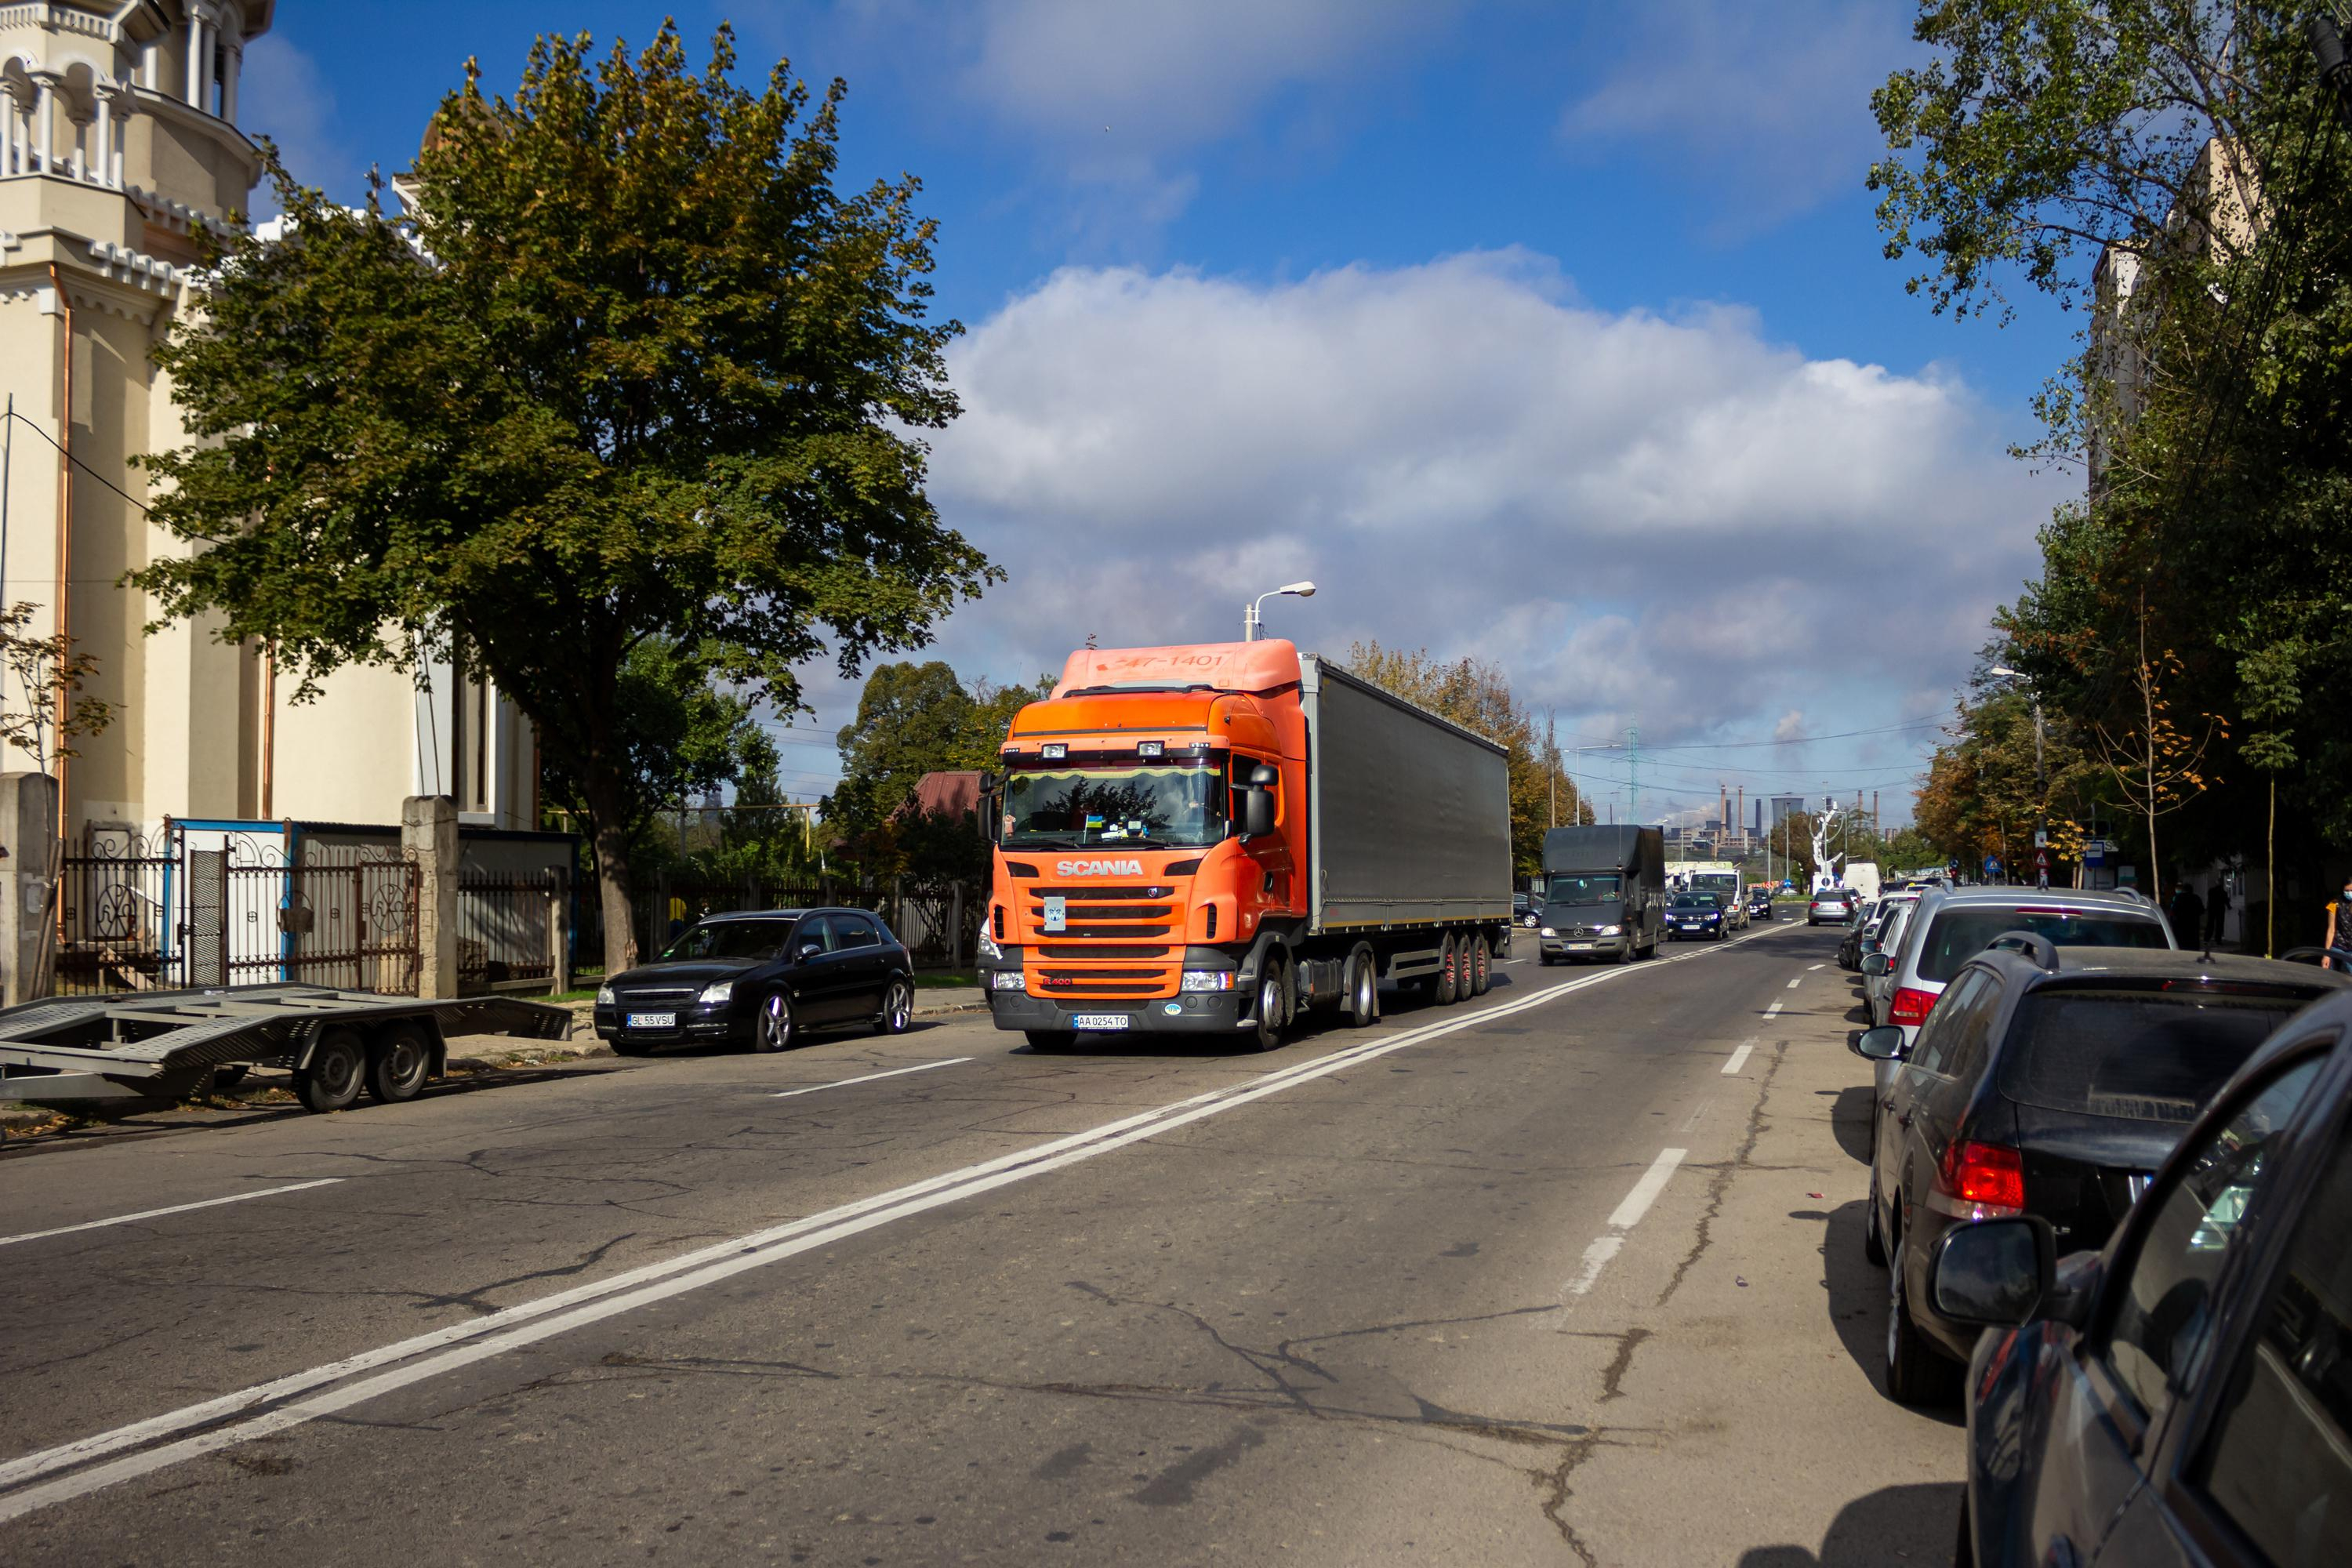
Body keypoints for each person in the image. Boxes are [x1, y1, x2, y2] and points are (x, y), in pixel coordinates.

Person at [2169, 880, 2205, 946]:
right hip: (2193, 926)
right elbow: (2202, 910)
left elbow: (2174, 911)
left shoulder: (2178, 898)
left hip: (2181, 926)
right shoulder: (2196, 898)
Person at [2326, 877, 2352, 969]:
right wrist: (2326, 954)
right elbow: (2331, 930)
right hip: (2338, 946)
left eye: (2351, 890)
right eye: (2347, 891)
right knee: (2329, 975)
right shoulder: (2335, 904)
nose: (2349, 893)